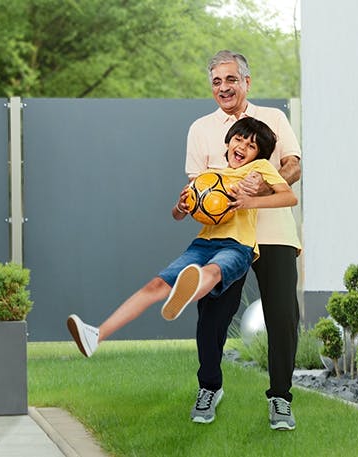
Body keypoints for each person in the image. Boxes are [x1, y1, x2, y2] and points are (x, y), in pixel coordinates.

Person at [66, 117, 297, 377]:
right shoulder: (209, 177)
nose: (242, 146)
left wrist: (249, 201)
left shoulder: (260, 169)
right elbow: (177, 215)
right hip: (203, 243)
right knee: (154, 286)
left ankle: (190, 290)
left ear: (259, 154)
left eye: (251, 145)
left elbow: (289, 196)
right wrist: (181, 206)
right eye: (239, 139)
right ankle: (95, 336)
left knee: (213, 271)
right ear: (229, 141)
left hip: (238, 245)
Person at [186, 50, 302, 430]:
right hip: (227, 236)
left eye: (231, 80)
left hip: (273, 231)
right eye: (217, 81)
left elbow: (293, 164)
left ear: (247, 82)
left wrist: (263, 181)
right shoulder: (200, 128)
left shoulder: (274, 118)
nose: (224, 87)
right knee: (213, 312)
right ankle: (209, 387)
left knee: (283, 315)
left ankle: (281, 398)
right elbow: (196, 185)